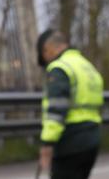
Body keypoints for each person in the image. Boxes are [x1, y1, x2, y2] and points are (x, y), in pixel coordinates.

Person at [37, 29, 103, 179]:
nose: (46, 61)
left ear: (48, 49)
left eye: (44, 56)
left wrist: (47, 143)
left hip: (70, 141)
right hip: (92, 139)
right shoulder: (87, 66)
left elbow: (56, 111)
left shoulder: (60, 68)